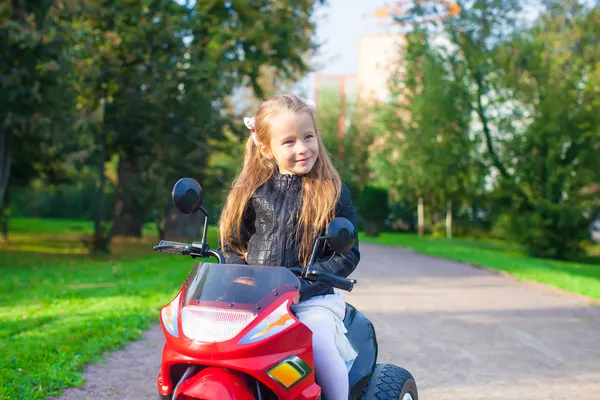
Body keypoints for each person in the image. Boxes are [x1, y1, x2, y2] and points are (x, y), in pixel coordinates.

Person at [218, 94, 360, 400]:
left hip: (312, 297)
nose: (302, 148)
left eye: (308, 137)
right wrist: (239, 274)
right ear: (266, 148)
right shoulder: (252, 191)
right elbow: (231, 242)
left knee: (319, 339)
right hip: (257, 296)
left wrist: (307, 282)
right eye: (289, 142)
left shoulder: (332, 191)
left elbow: (347, 252)